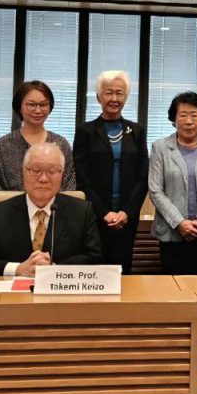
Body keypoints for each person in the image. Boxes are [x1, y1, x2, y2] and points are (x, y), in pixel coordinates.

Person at [0, 142, 102, 276]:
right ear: (23, 171)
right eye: (36, 171)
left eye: (52, 171)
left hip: (60, 287)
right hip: (13, 288)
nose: (43, 179)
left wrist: (56, 270)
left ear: (62, 174)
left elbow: (95, 258)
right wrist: (17, 269)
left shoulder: (82, 211)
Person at [73, 70, 149, 274]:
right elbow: (82, 178)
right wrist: (104, 213)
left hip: (127, 218)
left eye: (119, 93)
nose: (114, 98)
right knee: (94, 270)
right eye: (108, 92)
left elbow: (143, 177)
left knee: (123, 270)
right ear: (99, 97)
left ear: (126, 97)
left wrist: (127, 212)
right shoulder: (85, 131)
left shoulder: (137, 131)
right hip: (94, 215)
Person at [149, 92, 197, 275]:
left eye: (194, 115)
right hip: (171, 234)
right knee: (171, 286)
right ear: (174, 119)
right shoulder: (160, 147)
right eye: (183, 115)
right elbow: (155, 190)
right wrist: (179, 222)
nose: (189, 121)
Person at [0, 80, 76, 192]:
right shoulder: (3, 146)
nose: (38, 110)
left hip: (56, 203)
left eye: (43, 105)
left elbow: (69, 188)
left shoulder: (61, 144)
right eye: (31, 105)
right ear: (19, 107)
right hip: (11, 203)